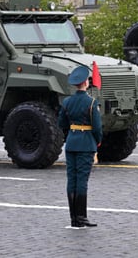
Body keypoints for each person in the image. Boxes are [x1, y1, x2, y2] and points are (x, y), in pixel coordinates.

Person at [58, 65, 102, 228]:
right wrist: (97, 141)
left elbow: (61, 123)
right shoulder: (91, 102)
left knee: (72, 179)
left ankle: (73, 218)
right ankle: (82, 217)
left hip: (71, 143)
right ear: (86, 82)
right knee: (82, 180)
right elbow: (97, 127)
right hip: (86, 144)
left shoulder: (67, 102)